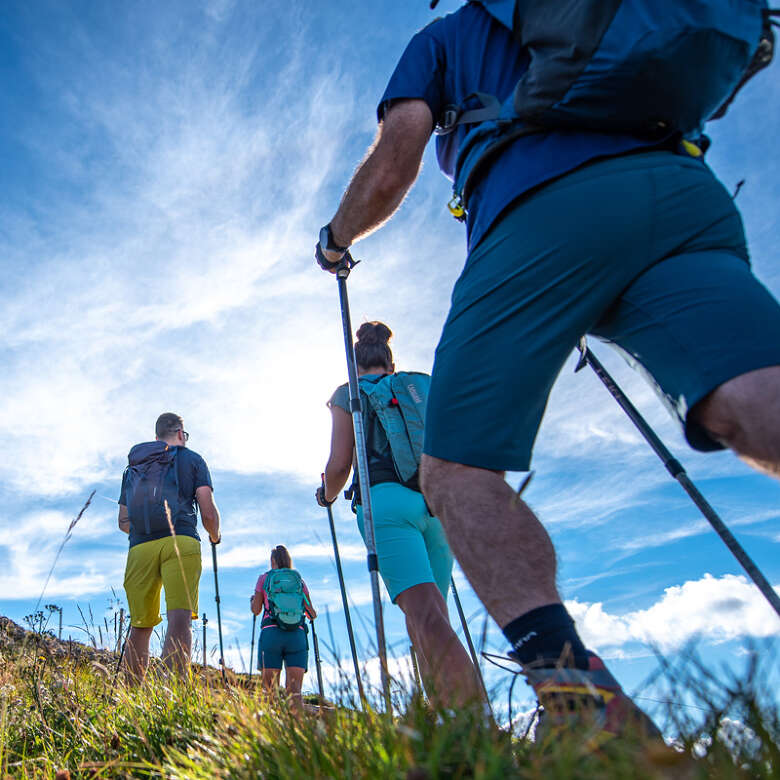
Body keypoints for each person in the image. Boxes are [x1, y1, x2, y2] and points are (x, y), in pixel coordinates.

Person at [314, 2, 780, 740]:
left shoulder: (448, 37)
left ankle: (577, 706)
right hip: (680, 187)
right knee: (754, 394)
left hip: (536, 207)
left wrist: (336, 240)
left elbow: (398, 154)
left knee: (459, 472)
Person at [317, 321, 483, 709]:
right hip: (436, 507)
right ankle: (444, 720)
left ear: (355, 364)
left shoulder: (348, 393)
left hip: (385, 503)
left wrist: (326, 496)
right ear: (390, 364)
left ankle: (477, 725)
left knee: (425, 619)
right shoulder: (420, 386)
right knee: (430, 620)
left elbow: (340, 465)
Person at [118, 412, 221, 681]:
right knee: (179, 618)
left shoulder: (134, 467)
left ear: (156, 438)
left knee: (140, 626)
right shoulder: (193, 459)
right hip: (182, 541)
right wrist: (215, 536)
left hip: (140, 547)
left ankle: (131, 700)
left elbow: (123, 521)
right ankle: (171, 693)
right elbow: (208, 511)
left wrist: (148, 531)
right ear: (180, 434)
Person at [251, 545, 317, 710]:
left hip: (271, 633)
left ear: (272, 561)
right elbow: (312, 613)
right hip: (297, 635)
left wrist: (253, 600)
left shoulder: (264, 579)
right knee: (295, 693)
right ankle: (296, 731)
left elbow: (256, 610)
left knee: (269, 691)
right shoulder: (299, 582)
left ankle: (269, 731)